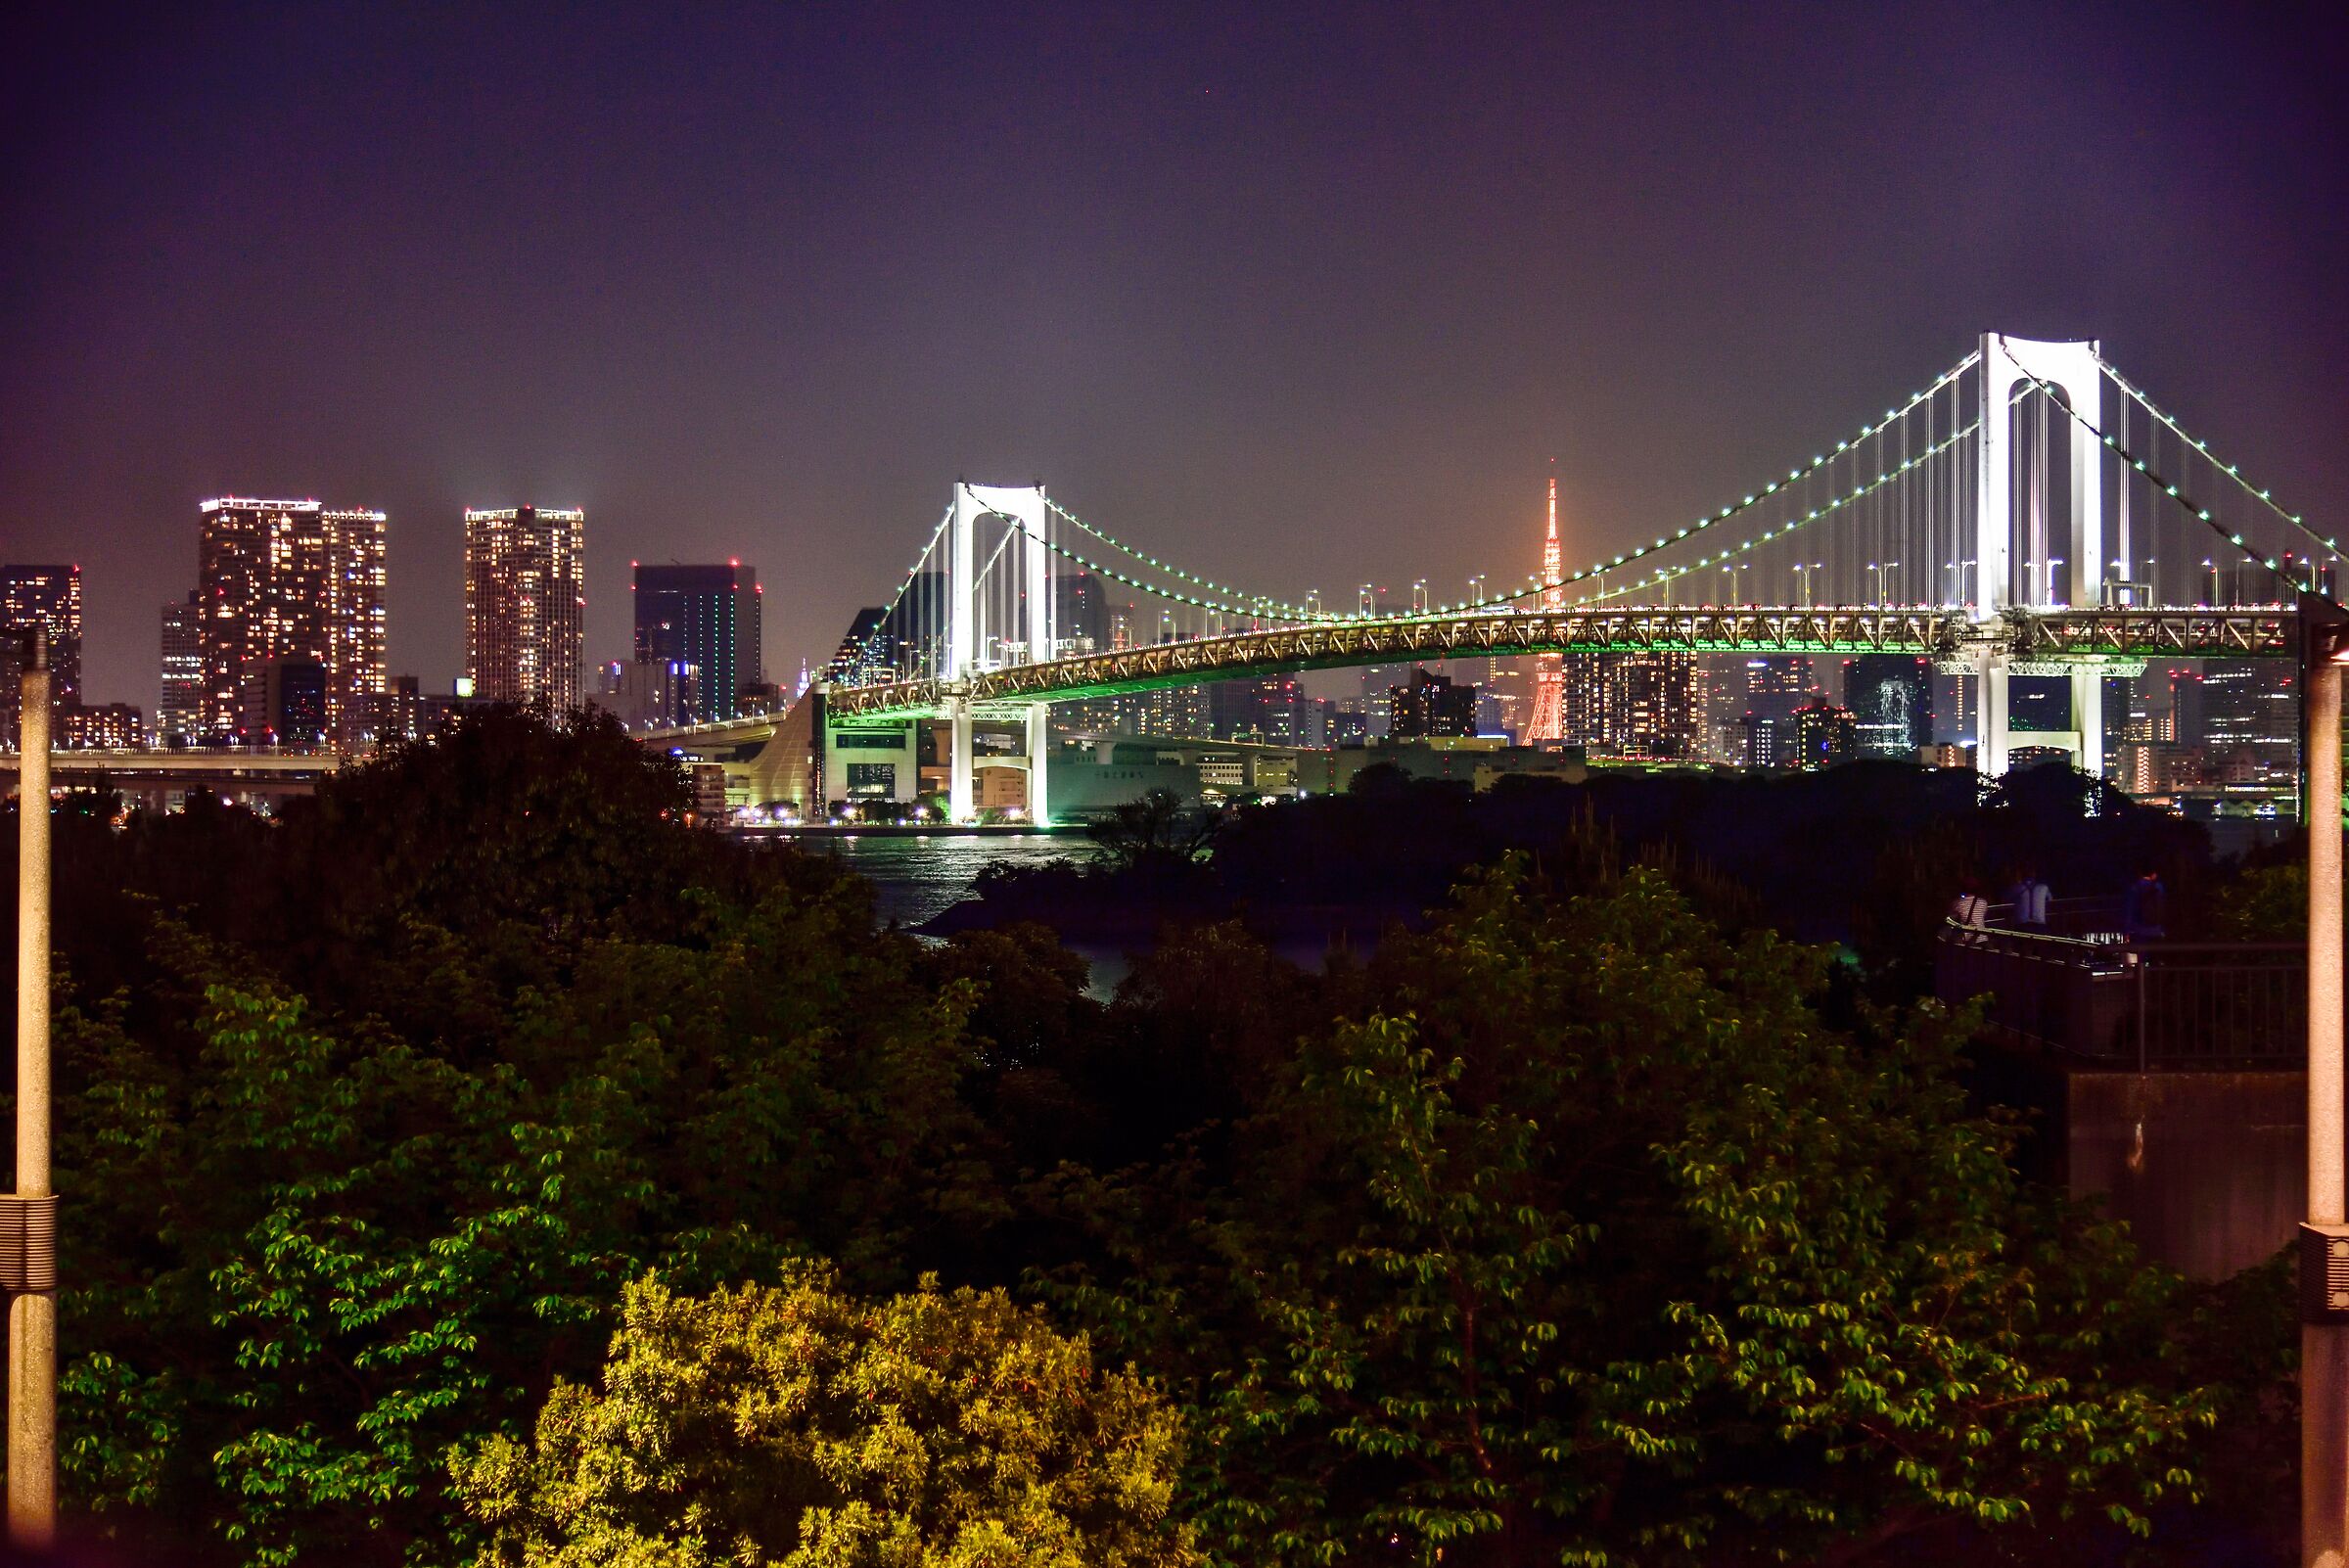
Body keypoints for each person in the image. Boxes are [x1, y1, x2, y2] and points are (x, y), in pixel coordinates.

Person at [2122, 868, 2167, 942]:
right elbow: (2163, 908)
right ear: (2153, 874)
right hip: (2157, 929)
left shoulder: (2135, 888)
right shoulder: (2159, 887)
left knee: (2143, 951)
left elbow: (2129, 911)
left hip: (2140, 929)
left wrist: (2126, 932)